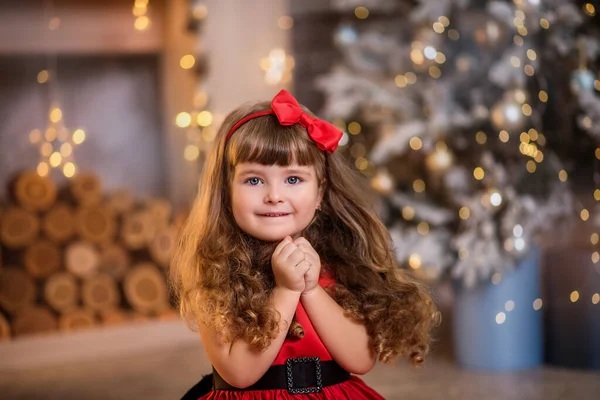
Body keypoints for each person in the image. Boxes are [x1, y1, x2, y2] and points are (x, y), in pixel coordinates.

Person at [171, 90, 438, 399]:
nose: (274, 195)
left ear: (320, 192)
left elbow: (360, 360)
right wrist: (286, 290)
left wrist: (311, 289)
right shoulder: (217, 269)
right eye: (254, 180)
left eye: (293, 179)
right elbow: (239, 374)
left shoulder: (341, 261)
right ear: (225, 192)